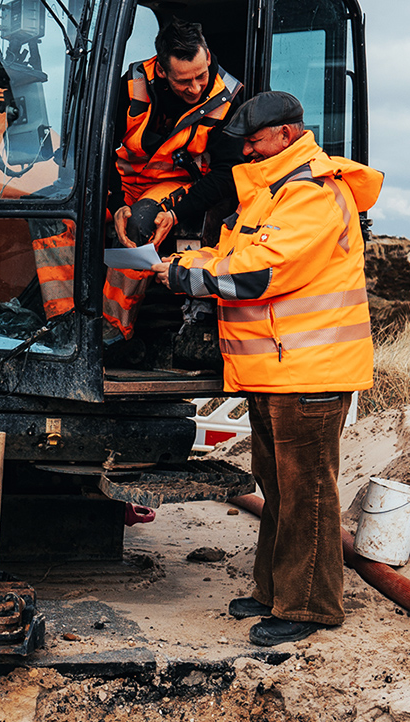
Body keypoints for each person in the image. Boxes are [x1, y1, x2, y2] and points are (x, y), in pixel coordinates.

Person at [152, 91, 383, 645]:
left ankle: (307, 609)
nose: (248, 151)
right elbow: (232, 255)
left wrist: (185, 278)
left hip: (310, 372)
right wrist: (180, 263)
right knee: (278, 488)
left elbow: (260, 273)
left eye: (254, 141)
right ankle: (273, 592)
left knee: (308, 494)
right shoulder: (272, 193)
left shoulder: (310, 195)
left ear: (286, 133)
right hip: (278, 371)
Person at [101, 19, 243, 346]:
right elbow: (100, 147)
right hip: (122, 180)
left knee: (139, 225)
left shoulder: (229, 98)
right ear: (162, 72)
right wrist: (115, 203)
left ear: (207, 56)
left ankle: (111, 335)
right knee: (59, 215)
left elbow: (226, 174)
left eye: (201, 76)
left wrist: (176, 213)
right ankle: (63, 323)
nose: (195, 88)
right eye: (184, 81)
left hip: (168, 184)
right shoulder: (130, 85)